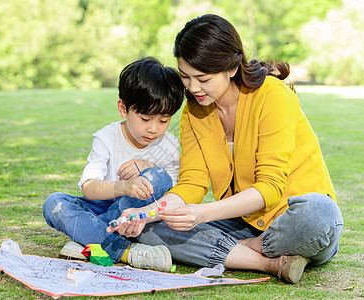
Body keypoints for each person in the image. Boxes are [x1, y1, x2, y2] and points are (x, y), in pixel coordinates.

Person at [108, 14, 344, 283]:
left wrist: (203, 214)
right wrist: (147, 215)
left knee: (319, 214)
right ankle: (270, 264)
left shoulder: (272, 95)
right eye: (185, 76)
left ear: (231, 68)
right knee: (151, 230)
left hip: (295, 220)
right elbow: (192, 184)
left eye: (203, 78)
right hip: (242, 222)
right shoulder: (193, 114)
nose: (193, 88)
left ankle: (244, 250)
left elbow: (270, 187)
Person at [42, 57, 184, 272]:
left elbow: (173, 197)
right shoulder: (106, 137)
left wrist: (148, 168)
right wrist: (124, 187)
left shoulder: (170, 145)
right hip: (102, 207)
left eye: (164, 120)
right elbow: (89, 187)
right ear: (123, 109)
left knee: (158, 175)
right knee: (55, 203)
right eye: (145, 119)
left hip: (142, 216)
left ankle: (87, 240)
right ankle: (127, 252)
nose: (154, 129)